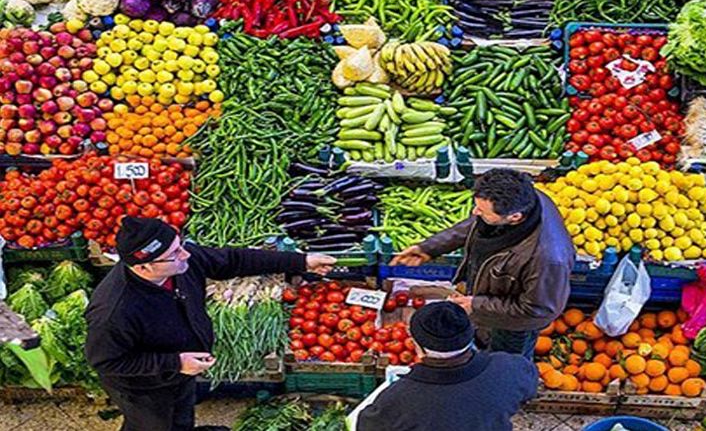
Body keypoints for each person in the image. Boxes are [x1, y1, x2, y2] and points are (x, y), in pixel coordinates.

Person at [85, 217, 336, 431]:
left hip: (181, 370)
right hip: (145, 386)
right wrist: (175, 363)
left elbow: (232, 260)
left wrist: (300, 262)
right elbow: (106, 361)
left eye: (180, 245)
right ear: (144, 266)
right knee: (154, 424)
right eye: (174, 254)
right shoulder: (113, 310)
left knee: (181, 415)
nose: (186, 254)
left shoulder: (181, 263)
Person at [391, 168, 574, 360]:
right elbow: (477, 224)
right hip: (491, 298)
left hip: (513, 325)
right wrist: (430, 248)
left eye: (482, 210)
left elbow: (538, 311)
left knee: (505, 361)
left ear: (515, 217)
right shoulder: (524, 198)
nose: (474, 212)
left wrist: (477, 305)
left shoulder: (548, 259)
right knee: (484, 342)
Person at [356, 302, 538, 431]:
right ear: (470, 334)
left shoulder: (397, 399)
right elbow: (529, 390)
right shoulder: (512, 368)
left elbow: (366, 425)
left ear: (417, 345)